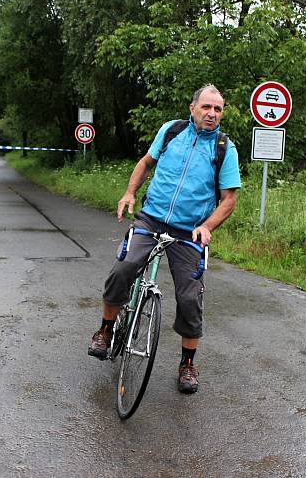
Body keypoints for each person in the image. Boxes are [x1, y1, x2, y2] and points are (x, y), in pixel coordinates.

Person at [87, 84, 241, 394]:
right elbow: (146, 163)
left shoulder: (225, 149)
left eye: (218, 109)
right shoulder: (172, 131)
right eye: (206, 107)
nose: (212, 114)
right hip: (152, 218)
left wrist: (208, 226)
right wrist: (129, 193)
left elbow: (229, 199)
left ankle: (187, 364)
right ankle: (105, 330)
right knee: (124, 267)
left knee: (189, 297)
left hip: (190, 231)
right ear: (192, 107)